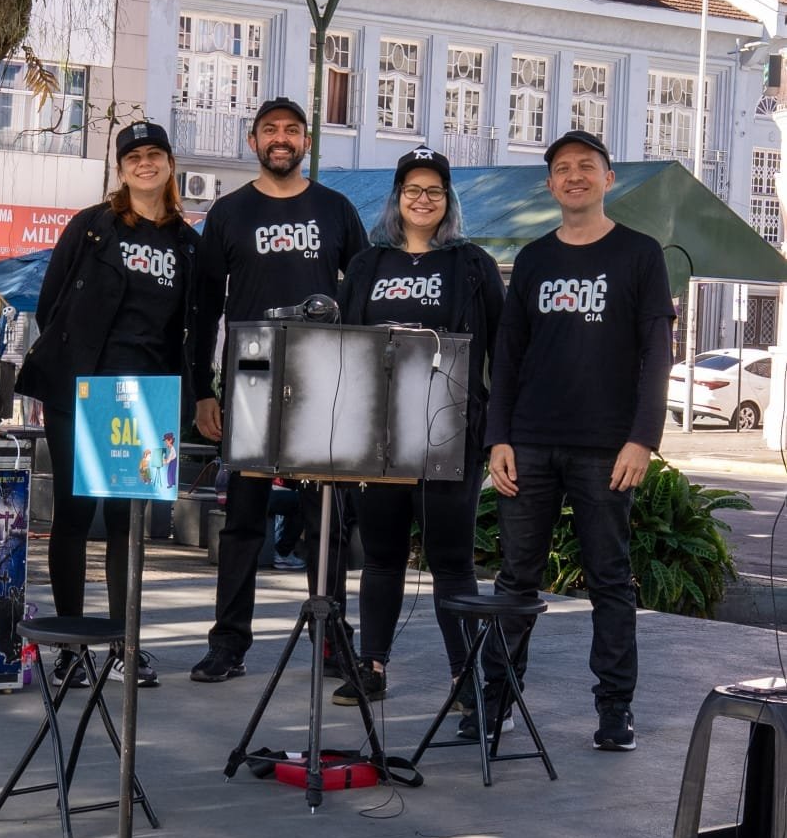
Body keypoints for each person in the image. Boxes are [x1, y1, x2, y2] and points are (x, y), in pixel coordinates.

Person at [479, 129, 674, 751]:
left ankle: (615, 709)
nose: (574, 176)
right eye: (561, 168)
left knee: (610, 579)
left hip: (605, 448)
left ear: (608, 178)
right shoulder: (534, 259)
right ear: (550, 184)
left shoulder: (641, 254)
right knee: (515, 579)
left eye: (586, 166)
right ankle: (496, 701)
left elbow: (657, 355)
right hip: (530, 443)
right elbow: (507, 355)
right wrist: (498, 438)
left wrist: (642, 438)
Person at [16, 120, 200, 688]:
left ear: (169, 164)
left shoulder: (188, 244)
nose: (145, 164)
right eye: (134, 157)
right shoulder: (92, 227)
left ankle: (124, 646)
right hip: (83, 387)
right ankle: (72, 650)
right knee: (75, 514)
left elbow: (192, 326)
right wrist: (72, 371)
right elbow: (51, 304)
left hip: (148, 394)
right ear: (120, 169)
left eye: (155, 155)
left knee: (129, 520)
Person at [190, 97, 368, 683]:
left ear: (307, 141)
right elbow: (203, 306)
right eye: (271, 130)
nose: (282, 138)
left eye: (293, 129)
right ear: (254, 141)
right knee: (243, 518)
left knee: (327, 519)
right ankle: (228, 644)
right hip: (251, 377)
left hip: (322, 381)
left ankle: (331, 637)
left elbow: (365, 293)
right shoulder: (229, 212)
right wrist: (203, 391)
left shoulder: (335, 209)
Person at [330, 146, 504, 706]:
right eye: (412, 190)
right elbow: (343, 349)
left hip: (450, 431)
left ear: (448, 200)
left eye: (434, 191)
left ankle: (463, 676)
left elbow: (501, 354)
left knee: (451, 560)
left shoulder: (472, 265)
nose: (422, 200)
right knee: (380, 556)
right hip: (378, 435)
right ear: (397, 199)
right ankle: (372, 665)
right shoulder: (366, 265)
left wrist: (499, 430)